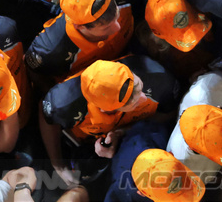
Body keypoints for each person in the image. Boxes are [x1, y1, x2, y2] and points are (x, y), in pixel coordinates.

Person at [39, 56, 179, 188]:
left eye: (138, 86)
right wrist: (58, 164)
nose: (144, 98)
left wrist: (122, 133)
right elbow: (47, 119)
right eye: (132, 101)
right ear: (105, 108)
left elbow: (169, 113)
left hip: (137, 132)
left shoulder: (159, 77)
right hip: (83, 141)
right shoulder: (62, 104)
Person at [25, 0, 134, 81]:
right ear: (80, 27)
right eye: (106, 28)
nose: (117, 28)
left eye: (117, 16)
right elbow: (36, 75)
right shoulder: (49, 51)